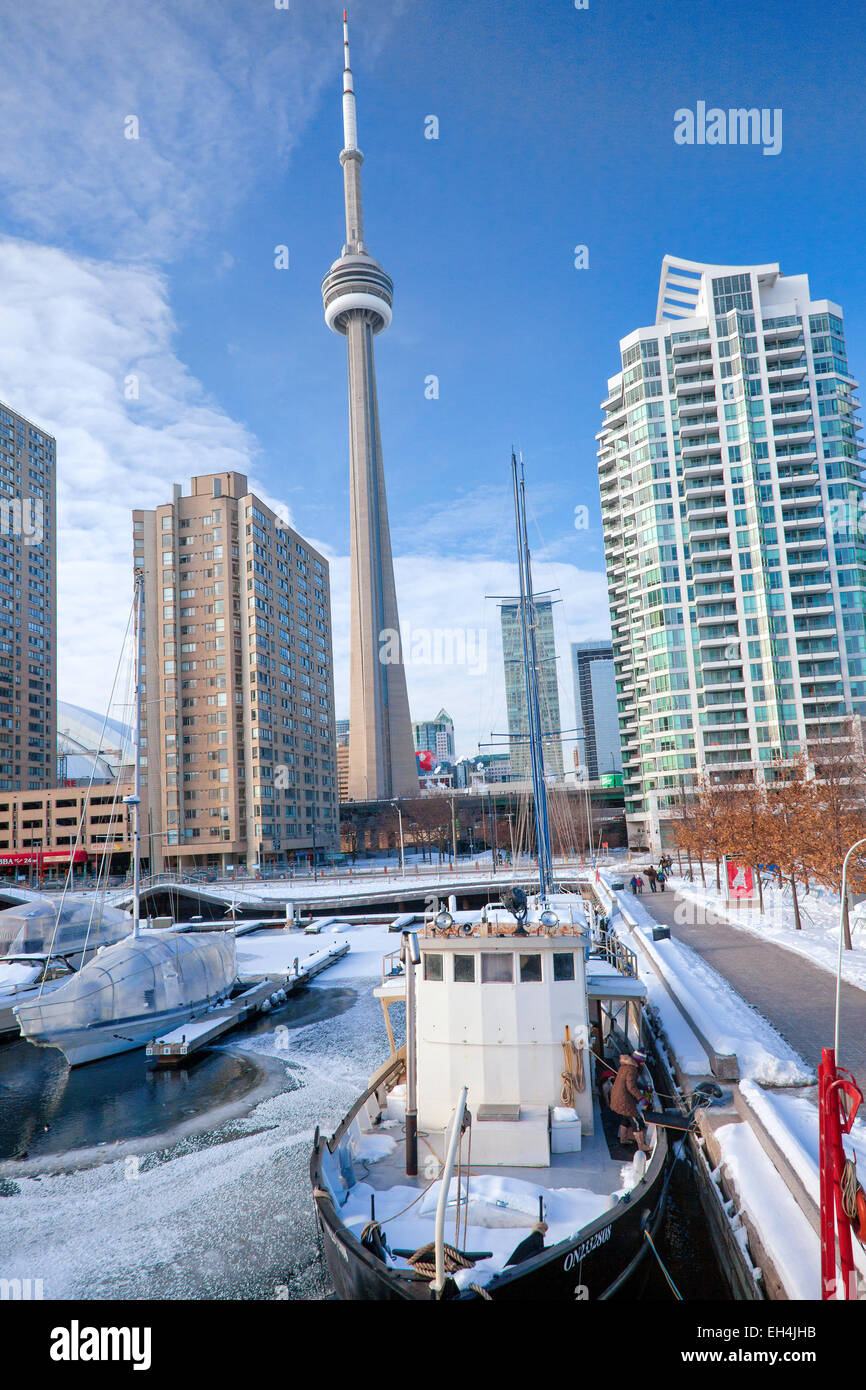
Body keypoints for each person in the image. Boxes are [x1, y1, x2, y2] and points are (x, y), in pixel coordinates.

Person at [609, 1050, 651, 1154]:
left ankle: (623, 1139)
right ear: (639, 1061)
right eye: (642, 1062)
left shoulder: (626, 1066)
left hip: (618, 1096)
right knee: (635, 1119)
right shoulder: (632, 1069)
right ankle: (641, 1145)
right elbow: (631, 1087)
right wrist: (642, 1099)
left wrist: (645, 1087)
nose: (642, 1064)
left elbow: (631, 1083)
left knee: (625, 1117)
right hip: (623, 1098)